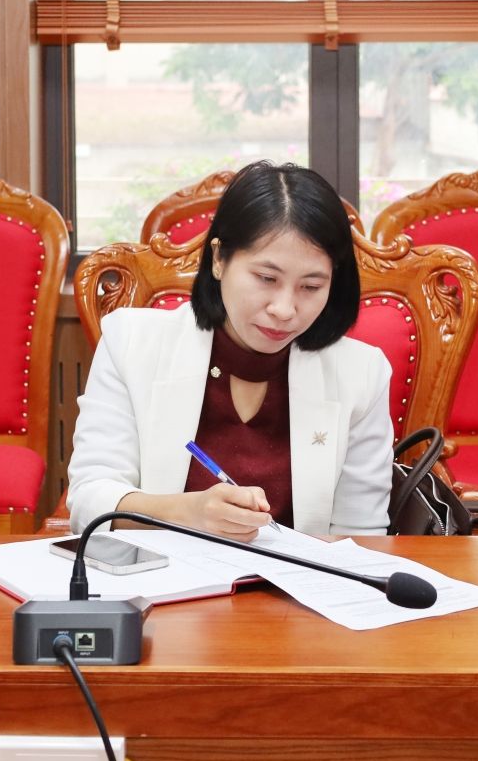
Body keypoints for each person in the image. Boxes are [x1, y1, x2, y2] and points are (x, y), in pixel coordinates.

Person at [67, 161, 393, 539]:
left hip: (299, 578)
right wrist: (186, 513)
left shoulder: (361, 373)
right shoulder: (131, 342)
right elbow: (90, 499)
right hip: (165, 573)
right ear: (219, 259)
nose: (284, 309)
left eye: (311, 287)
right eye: (266, 278)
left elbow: (362, 534)